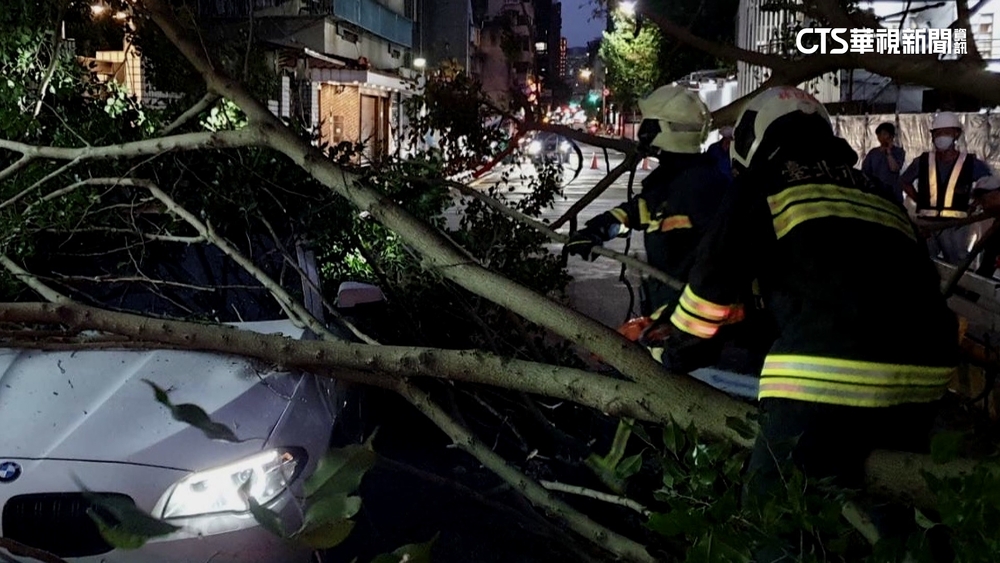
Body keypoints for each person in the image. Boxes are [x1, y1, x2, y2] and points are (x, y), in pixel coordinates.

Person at [647, 86, 959, 559]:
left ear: (753, 137)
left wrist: (674, 352)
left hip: (828, 380)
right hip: (925, 382)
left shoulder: (765, 182)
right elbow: (847, 282)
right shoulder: (876, 191)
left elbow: (711, 283)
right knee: (894, 515)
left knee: (773, 514)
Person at [562, 85, 732, 315]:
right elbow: (636, 213)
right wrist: (596, 231)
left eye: (648, 123)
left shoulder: (695, 186)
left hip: (691, 323)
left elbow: (709, 269)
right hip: (677, 316)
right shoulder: (679, 180)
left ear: (661, 129)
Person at [900, 112, 994, 264]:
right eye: (938, 133)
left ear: (956, 134)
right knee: (927, 263)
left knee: (956, 263)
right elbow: (904, 182)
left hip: (955, 225)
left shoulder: (969, 162)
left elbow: (990, 184)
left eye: (946, 132)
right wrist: (920, 200)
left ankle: (957, 287)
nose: (941, 136)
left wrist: (975, 204)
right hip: (927, 223)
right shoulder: (922, 161)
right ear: (932, 136)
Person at [861, 122, 905, 202]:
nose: (881, 137)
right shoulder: (873, 153)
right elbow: (865, 171)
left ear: (891, 136)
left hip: (893, 193)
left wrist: (888, 152)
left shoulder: (898, 152)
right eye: (879, 135)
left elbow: (894, 168)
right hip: (876, 193)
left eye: (884, 134)